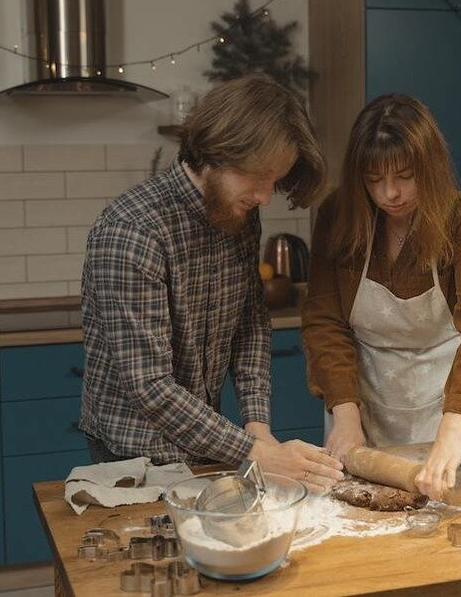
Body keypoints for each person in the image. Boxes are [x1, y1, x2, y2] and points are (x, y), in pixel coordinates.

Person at [79, 73, 344, 491]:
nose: (266, 197)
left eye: (275, 180)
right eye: (260, 177)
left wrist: (257, 427)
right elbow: (151, 386)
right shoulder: (132, 230)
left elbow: (250, 324)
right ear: (217, 152)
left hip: (209, 441)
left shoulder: (239, 212)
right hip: (132, 453)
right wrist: (256, 453)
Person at [302, 94, 461, 500]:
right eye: (374, 180)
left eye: (405, 176)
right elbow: (324, 321)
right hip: (362, 402)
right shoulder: (338, 216)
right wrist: (345, 412)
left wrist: (452, 430)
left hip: (449, 402)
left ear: (429, 168)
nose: (390, 193)